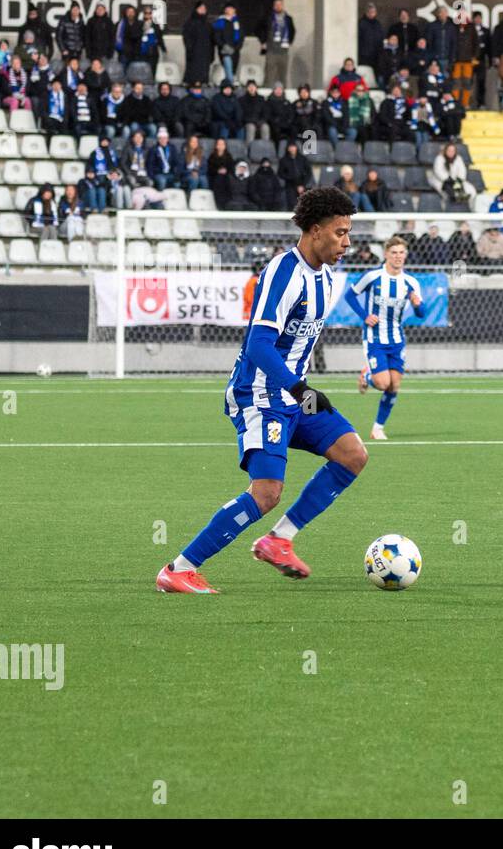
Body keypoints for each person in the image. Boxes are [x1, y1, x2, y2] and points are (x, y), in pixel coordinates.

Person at [157, 189, 366, 594]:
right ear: (315, 230)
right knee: (267, 492)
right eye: (340, 233)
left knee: (353, 454)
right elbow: (257, 345)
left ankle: (278, 540)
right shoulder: (284, 273)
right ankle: (179, 568)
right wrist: (299, 387)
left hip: (292, 395)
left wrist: (299, 389)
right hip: (260, 394)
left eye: (349, 233)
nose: (347, 242)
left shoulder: (324, 277)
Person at [346, 236, 427, 441]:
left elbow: (421, 314)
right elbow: (350, 295)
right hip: (374, 338)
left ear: (405, 255)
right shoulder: (373, 277)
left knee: (394, 386)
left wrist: (417, 304)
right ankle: (366, 376)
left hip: (397, 339)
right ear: (386, 254)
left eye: (401, 253)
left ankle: (377, 428)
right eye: (394, 253)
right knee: (382, 384)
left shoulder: (411, 282)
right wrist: (365, 316)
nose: (398, 256)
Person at [258, 0, 296, 87]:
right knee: (269, 73)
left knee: (283, 74)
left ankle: (283, 93)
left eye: (280, 5)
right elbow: (258, 29)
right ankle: (267, 91)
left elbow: (292, 31)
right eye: (276, 5)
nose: (278, 6)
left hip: (283, 51)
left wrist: (289, 42)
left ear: (283, 5)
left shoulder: (288, 18)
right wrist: (263, 41)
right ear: (273, 6)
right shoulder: (268, 18)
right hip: (271, 50)